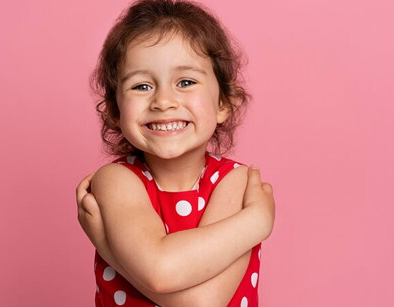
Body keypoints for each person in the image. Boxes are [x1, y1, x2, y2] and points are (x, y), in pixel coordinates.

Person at [76, 0, 276, 306]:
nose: (164, 101)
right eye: (141, 86)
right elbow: (162, 274)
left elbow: (203, 303)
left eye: (185, 82)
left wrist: (108, 247)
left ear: (223, 103)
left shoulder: (235, 182)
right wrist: (258, 222)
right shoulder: (115, 181)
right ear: (116, 111)